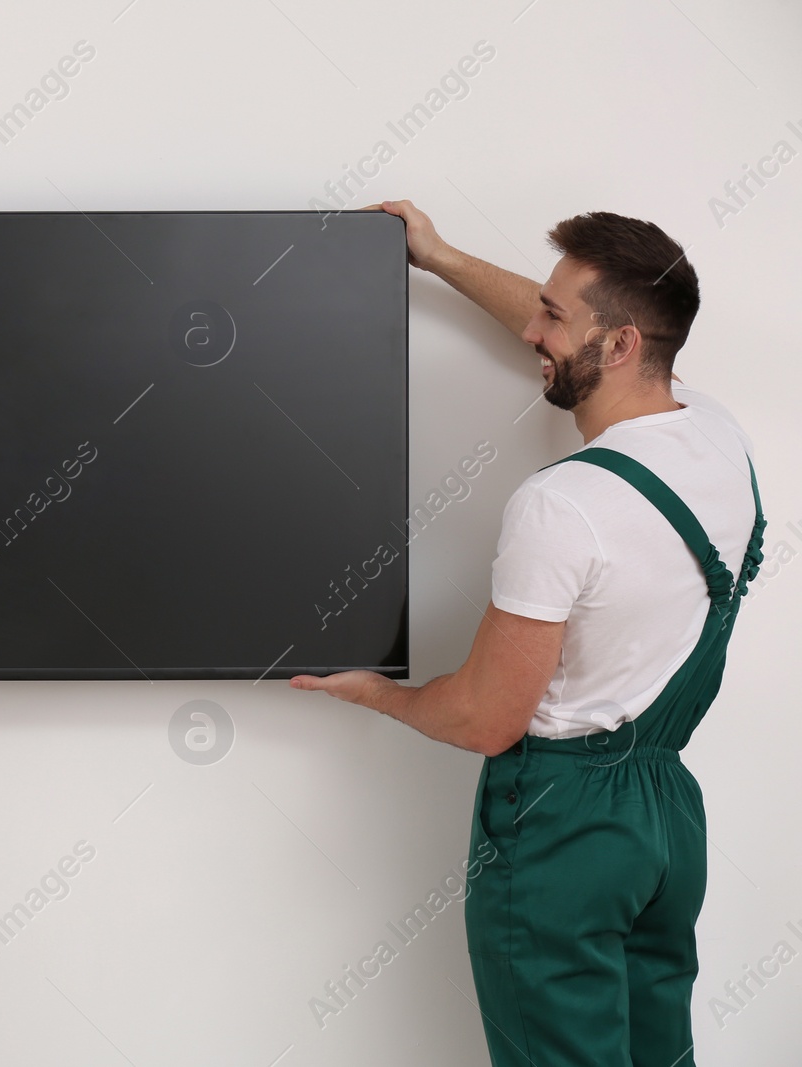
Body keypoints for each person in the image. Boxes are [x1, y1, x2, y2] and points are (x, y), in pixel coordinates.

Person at [290, 200, 764, 1066]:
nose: (534, 331)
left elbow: (484, 719)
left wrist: (379, 695)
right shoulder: (713, 435)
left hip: (561, 830)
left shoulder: (563, 504)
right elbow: (570, 331)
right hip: (664, 826)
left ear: (620, 344)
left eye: (554, 314)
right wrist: (436, 256)